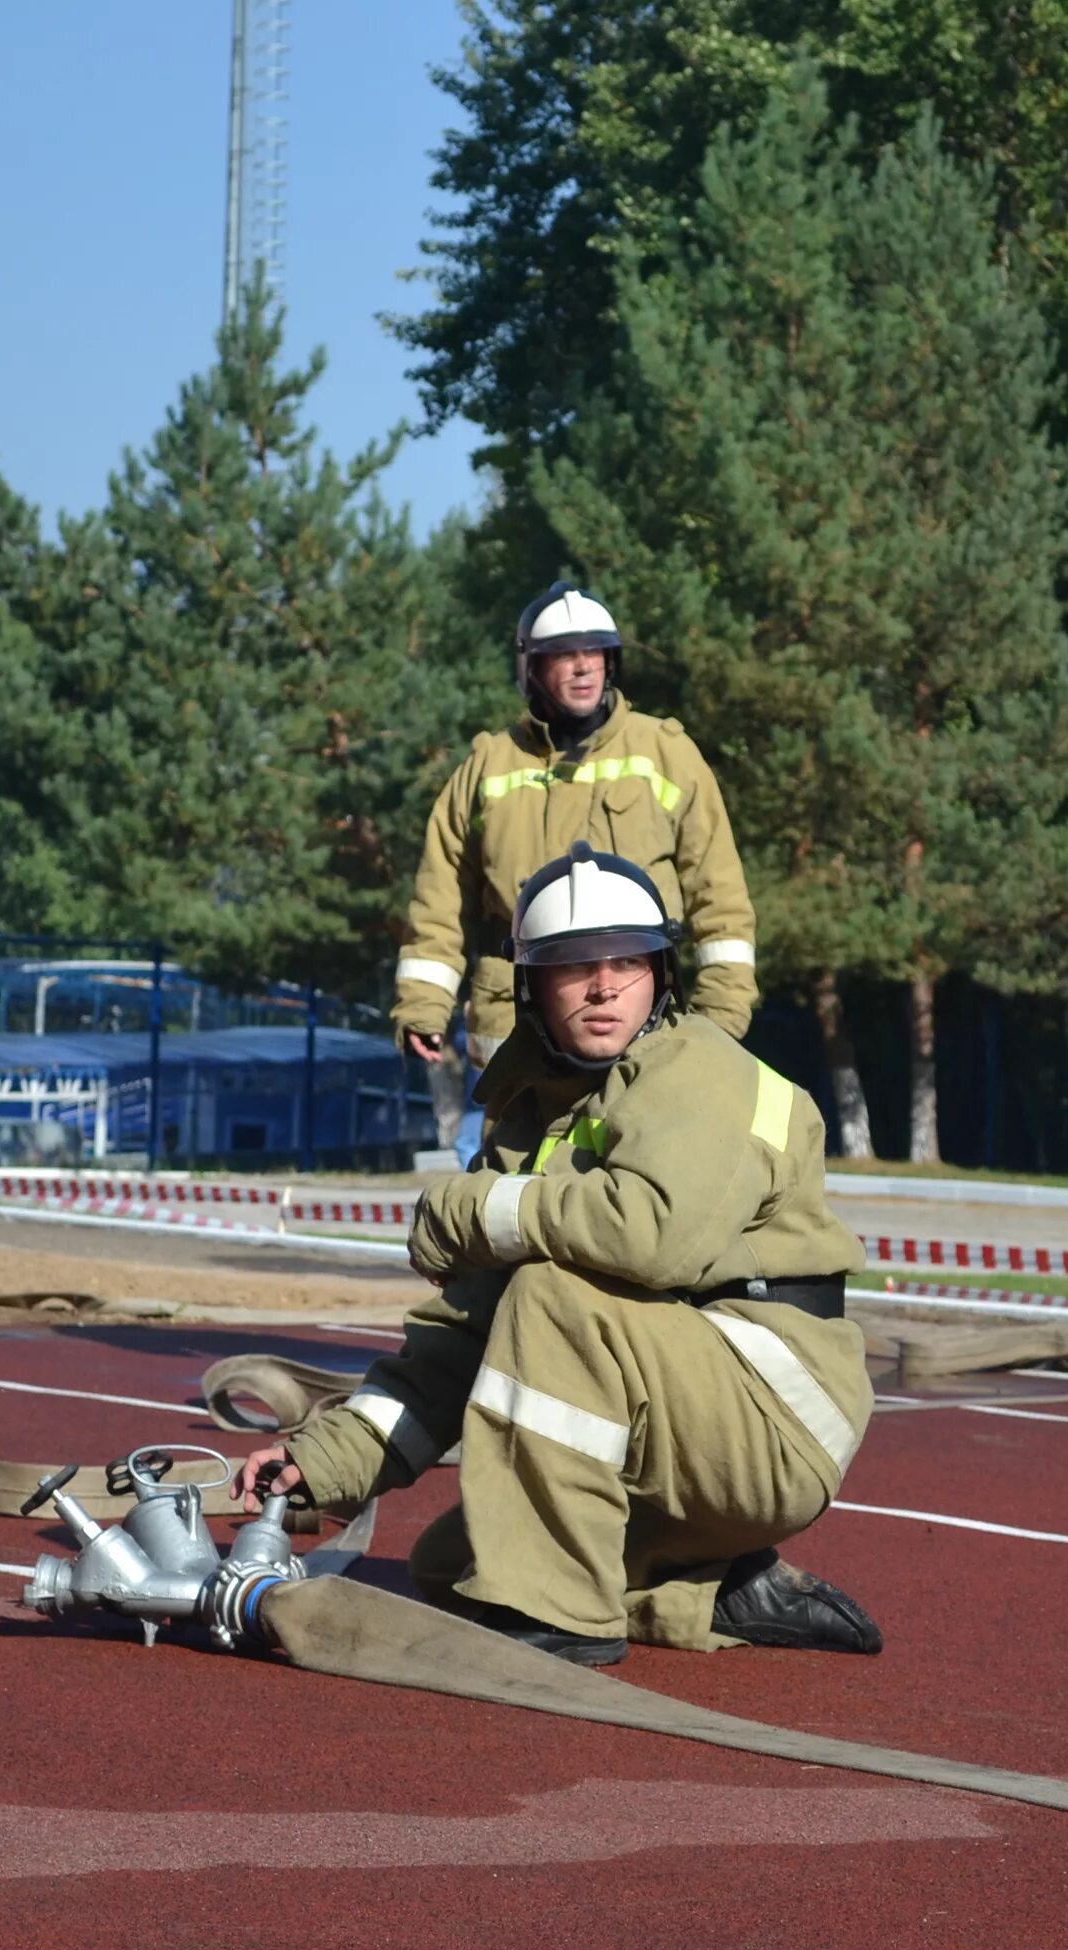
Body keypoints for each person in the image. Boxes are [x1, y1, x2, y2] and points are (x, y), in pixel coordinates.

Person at [239, 842, 875, 1667]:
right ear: (533, 986)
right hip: (675, 1410)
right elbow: (456, 1338)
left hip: (774, 1415)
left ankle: (565, 1617)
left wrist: (469, 1207)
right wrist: (319, 1467)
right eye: (575, 966)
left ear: (661, 974)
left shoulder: (706, 1073)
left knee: (550, 1296)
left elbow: (653, 1237)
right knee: (457, 1566)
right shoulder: (533, 1117)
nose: (605, 985)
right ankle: (706, 1588)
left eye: (627, 961)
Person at [392, 583, 760, 1159]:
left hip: (646, 1031)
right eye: (565, 654)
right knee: (511, 1206)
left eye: (596, 652)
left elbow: (721, 900)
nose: (584, 666)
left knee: (639, 1198)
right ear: (531, 668)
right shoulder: (487, 766)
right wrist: (421, 1004)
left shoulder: (667, 754)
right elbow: (438, 902)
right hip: (517, 1041)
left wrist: (720, 1016)